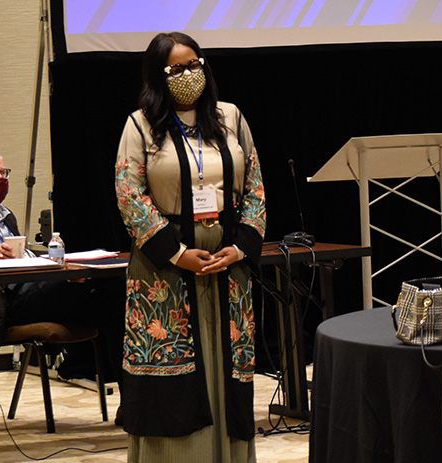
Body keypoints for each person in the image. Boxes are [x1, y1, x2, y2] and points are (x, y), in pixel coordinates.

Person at [115, 32, 266, 462]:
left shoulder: (231, 117)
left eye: (194, 64)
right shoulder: (140, 124)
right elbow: (129, 195)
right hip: (165, 272)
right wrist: (178, 253)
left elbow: (255, 186)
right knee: (174, 381)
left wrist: (239, 248)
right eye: (176, 69)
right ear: (158, 76)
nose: (188, 75)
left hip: (227, 268)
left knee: (227, 371)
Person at [0, 147, 124, 419]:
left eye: (3, 172)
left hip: (31, 293)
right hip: (4, 304)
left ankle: (130, 401)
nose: (0, 178)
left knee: (113, 299)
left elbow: (20, 255)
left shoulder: (5, 214)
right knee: (86, 287)